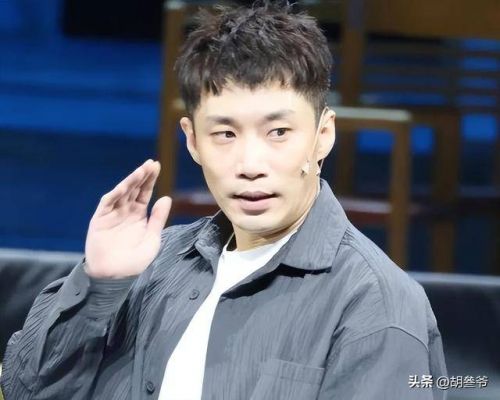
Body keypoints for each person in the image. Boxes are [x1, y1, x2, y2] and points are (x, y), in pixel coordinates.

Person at [0, 1, 447, 399]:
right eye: (225, 134)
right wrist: (99, 286)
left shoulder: (375, 305)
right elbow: (22, 391)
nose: (250, 164)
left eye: (278, 132)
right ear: (192, 141)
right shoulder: (152, 266)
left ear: (322, 135)